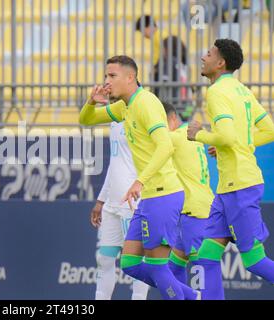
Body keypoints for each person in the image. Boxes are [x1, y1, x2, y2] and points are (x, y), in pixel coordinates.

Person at [79, 55, 199, 300]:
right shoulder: (125, 106)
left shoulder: (146, 103)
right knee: (130, 264)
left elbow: (165, 146)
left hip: (162, 195)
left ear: (130, 77)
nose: (106, 82)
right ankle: (194, 297)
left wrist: (139, 181)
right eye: (106, 76)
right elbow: (86, 120)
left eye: (112, 76)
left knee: (157, 269)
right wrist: (91, 102)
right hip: (148, 199)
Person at [187, 39, 274, 299]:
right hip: (229, 189)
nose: (204, 57)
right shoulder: (242, 90)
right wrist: (231, 144)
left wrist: (199, 135)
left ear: (220, 63)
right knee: (206, 257)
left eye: (209, 54)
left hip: (240, 186)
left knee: (255, 261)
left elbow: (224, 136)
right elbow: (268, 130)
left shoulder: (215, 92)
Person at [88, 116, 150, 300]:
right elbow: (114, 164)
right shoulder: (114, 122)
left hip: (131, 203)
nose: (109, 88)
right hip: (112, 205)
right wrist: (101, 200)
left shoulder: (140, 117)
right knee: (104, 259)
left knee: (135, 262)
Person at [161, 101, 214, 286]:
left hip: (194, 211)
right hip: (195, 207)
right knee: (174, 267)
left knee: (201, 269)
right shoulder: (189, 134)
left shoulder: (175, 137)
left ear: (173, 118)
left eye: (161, 123)